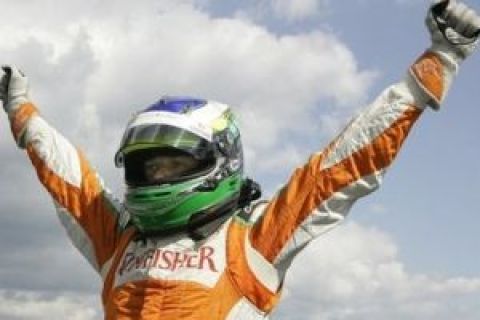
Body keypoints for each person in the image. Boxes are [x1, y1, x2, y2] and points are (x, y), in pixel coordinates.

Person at [1, 1, 479, 319]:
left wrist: (439, 60)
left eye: (170, 164)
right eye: (147, 166)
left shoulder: (253, 237)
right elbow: (66, 175)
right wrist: (20, 108)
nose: (155, 176)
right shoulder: (118, 239)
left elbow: (341, 166)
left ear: (219, 163)